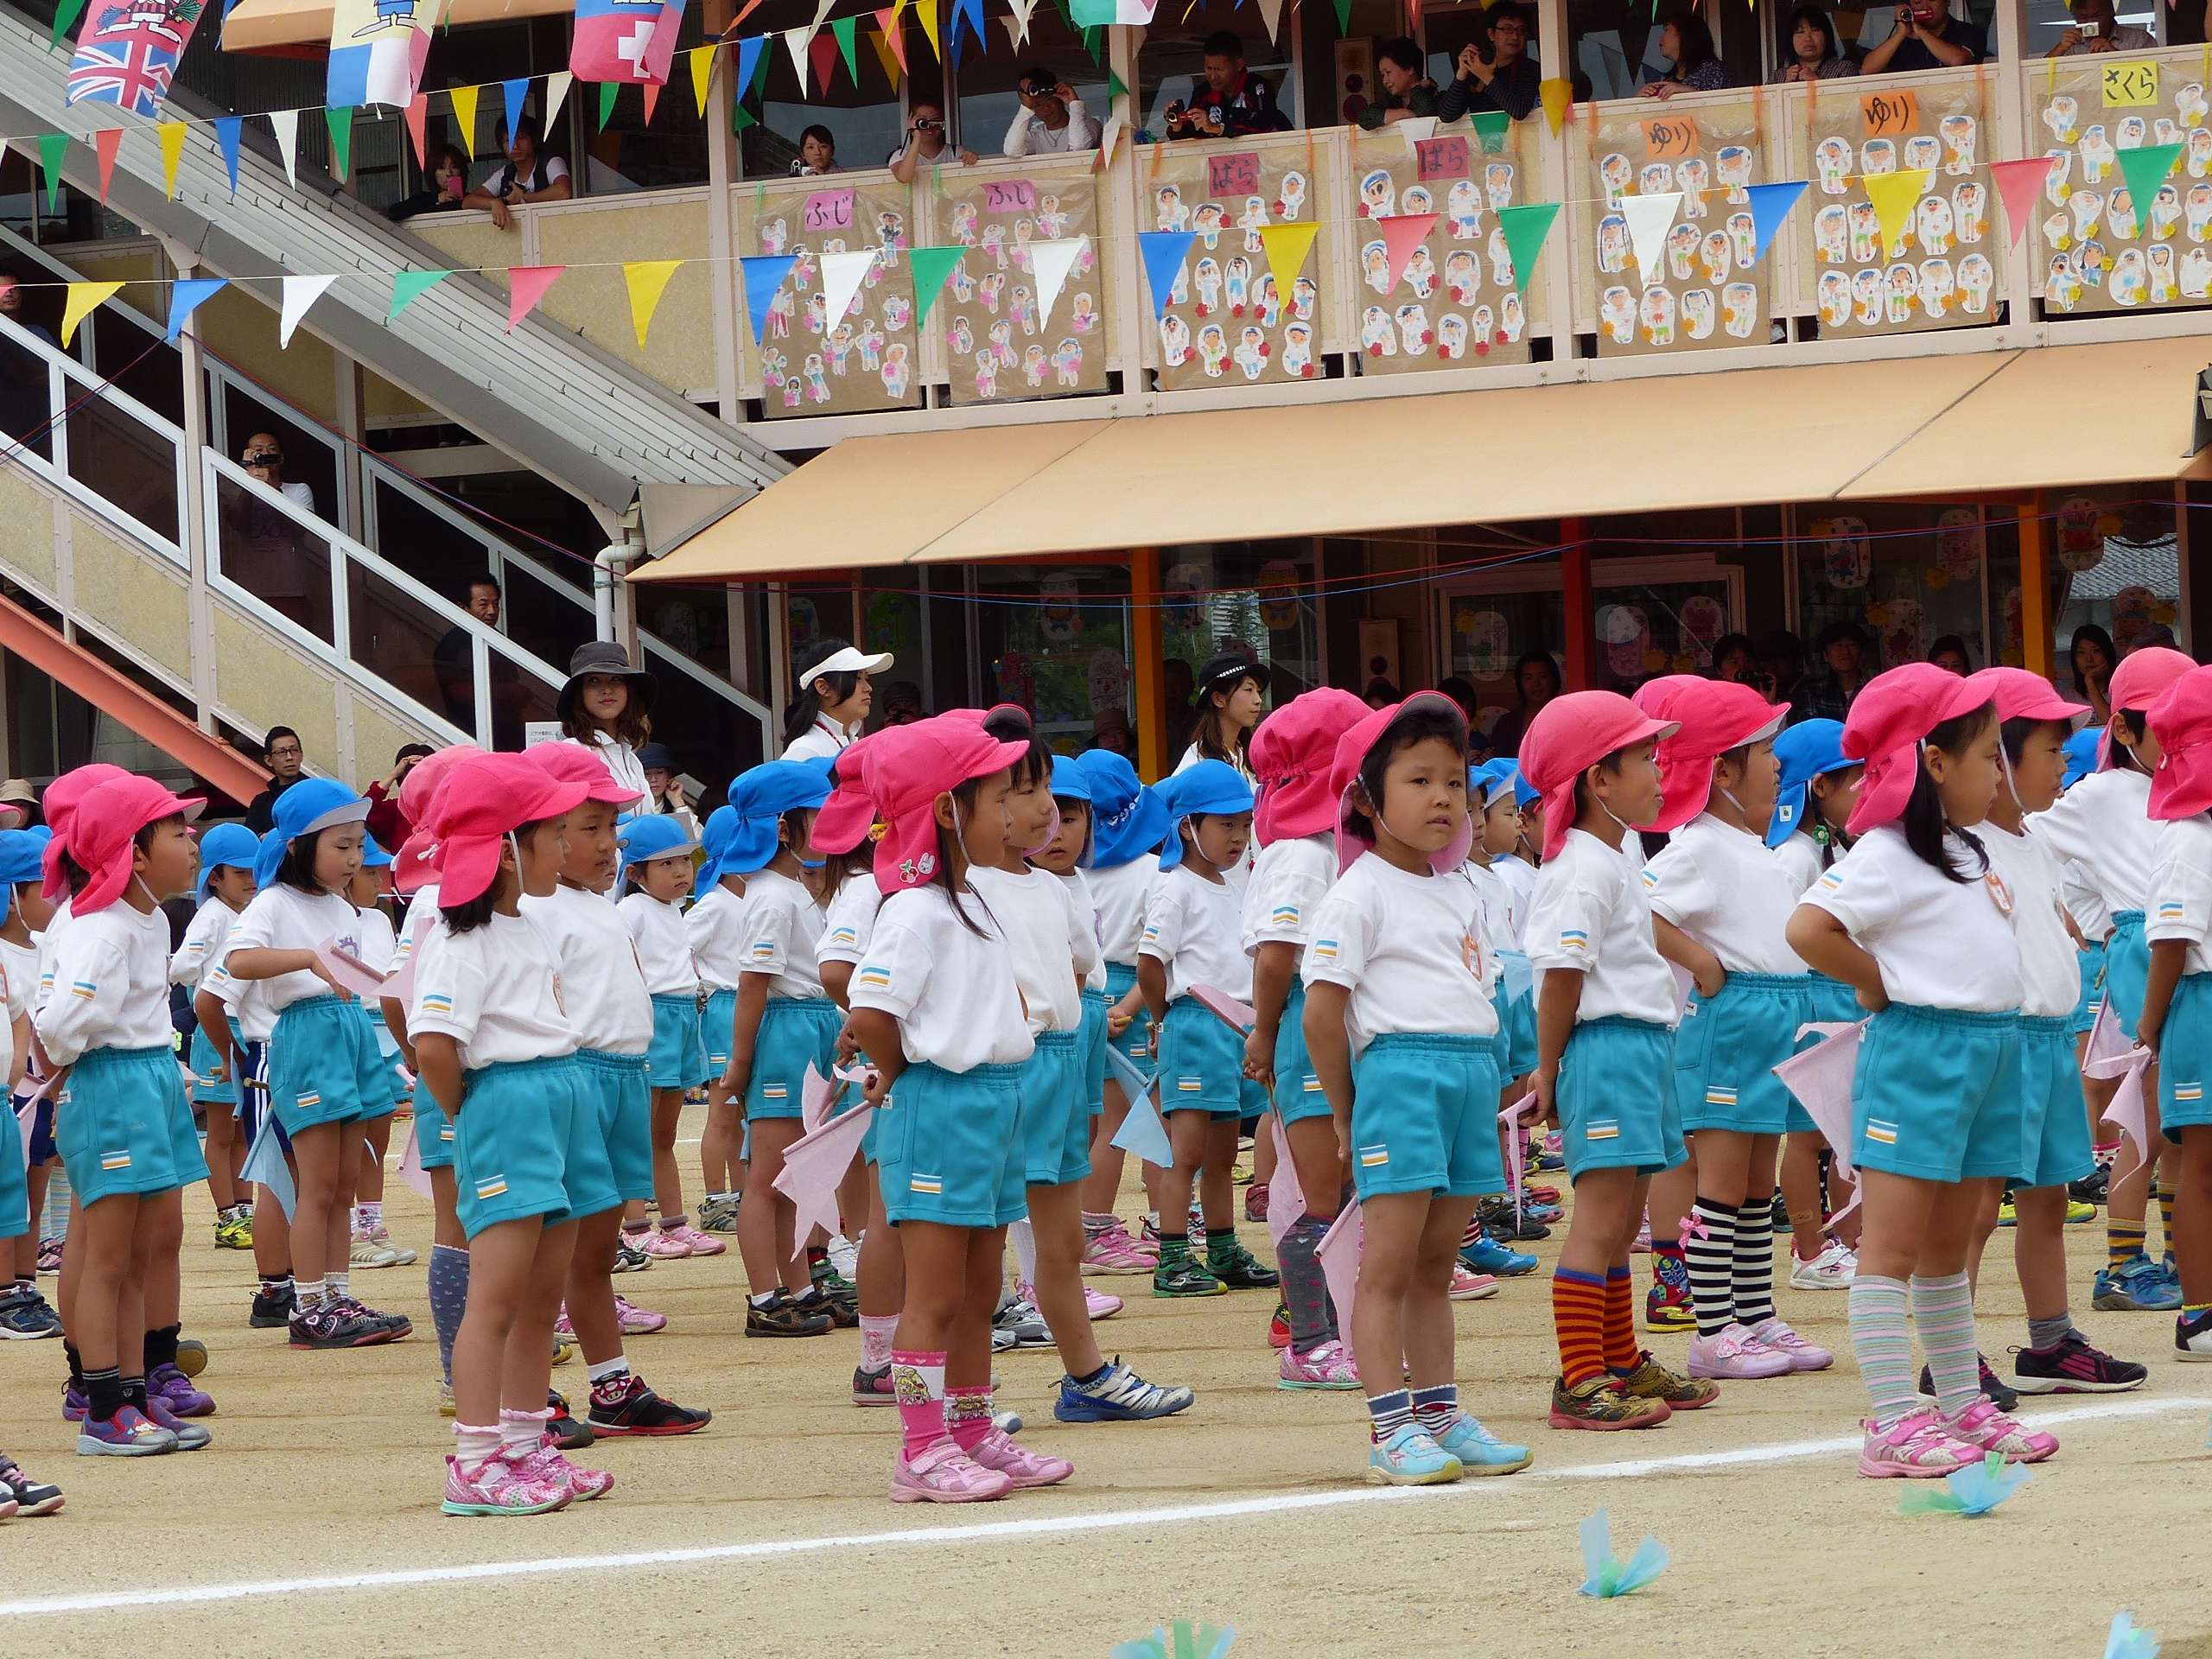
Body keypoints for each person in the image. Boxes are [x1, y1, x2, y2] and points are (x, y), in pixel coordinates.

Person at [1787, 664, 2056, 1477]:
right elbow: (1809, 928)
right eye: (1987, 755)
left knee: (1946, 1247)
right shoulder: (1886, 852)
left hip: (1988, 1053)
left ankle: (1959, 1403)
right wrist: (1876, 984)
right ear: (1933, 763)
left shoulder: (1969, 847)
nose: (2000, 771)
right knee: (1893, 1247)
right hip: (1920, 1057)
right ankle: (1893, 1419)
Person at [1302, 694, 1533, 1483]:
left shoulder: (1463, 887)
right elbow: (1322, 1015)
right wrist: (1346, 1112)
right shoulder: (1357, 892)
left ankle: (1439, 1414)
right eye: (1419, 780)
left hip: (1468, 1078)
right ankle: (1389, 1427)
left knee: (1438, 1265)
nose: (1443, 798)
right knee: (1389, 1266)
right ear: (1367, 801)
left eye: (1455, 781)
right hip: (1399, 1078)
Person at [840, 715, 1054, 1502]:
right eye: (1001, 797)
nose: (1019, 813)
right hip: (939, 1107)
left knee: (979, 1287)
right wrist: (900, 1074)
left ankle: (970, 1427)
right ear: (945, 811)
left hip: (992, 1105)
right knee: (932, 1294)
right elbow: (870, 1012)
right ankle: (921, 1448)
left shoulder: (973, 897)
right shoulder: (914, 910)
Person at [970, 714, 1195, 1423]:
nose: (1047, 810)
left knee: (1061, 1241)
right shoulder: (963, 889)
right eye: (1026, 791)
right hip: (1005, 1073)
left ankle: (1087, 1377)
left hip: (1061, 1063)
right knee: (976, 1245)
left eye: (1053, 795)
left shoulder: (1054, 888)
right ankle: (958, 1405)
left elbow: (1077, 975)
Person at [410, 752, 612, 1514]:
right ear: (503, 849)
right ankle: (474, 1459)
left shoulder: (528, 925)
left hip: (559, 1097)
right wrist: (473, 1112)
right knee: (494, 1296)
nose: (566, 848)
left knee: (541, 1296)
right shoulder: (457, 941)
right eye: (554, 834)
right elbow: (435, 1046)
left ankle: (527, 1446)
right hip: (507, 1102)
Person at [1517, 690, 1717, 1429]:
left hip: (1641, 1045)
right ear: (1598, 780)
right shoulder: (1579, 866)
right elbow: (1560, 979)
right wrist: (1548, 1068)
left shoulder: (1616, 851)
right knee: (1600, 1220)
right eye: (1644, 758)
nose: (1660, 771)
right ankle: (1579, 1380)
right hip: (1605, 1048)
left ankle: (1621, 1360)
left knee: (1626, 1211)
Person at [1637, 679, 1832, 1382]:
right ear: (1722, 770)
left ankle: (1755, 1315)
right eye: (1765, 751)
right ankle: (1713, 1330)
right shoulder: (1698, 846)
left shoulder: (1753, 843)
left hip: (1776, 1015)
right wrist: (1701, 963)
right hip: (1735, 1019)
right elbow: (1640, 908)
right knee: (1720, 1185)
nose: (1778, 764)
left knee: (1755, 1185)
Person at [519, 743, 710, 1438]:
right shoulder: (535, 908)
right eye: (590, 828)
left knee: (597, 1253)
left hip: (625, 1075)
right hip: (576, 1079)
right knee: (547, 1254)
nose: (610, 844)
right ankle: (528, 1397)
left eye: (612, 827)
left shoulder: (601, 905)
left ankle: (613, 1387)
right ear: (541, 832)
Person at [1969, 667, 2147, 1395]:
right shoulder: (1963, 847)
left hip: (2046, 1040)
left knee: (2046, 1196)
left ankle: (2051, 1343)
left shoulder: (2035, 838)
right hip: (1998, 1041)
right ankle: (1951, 1357)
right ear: (1997, 757)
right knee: (1978, 1202)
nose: (2065, 764)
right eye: (2050, 751)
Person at [41, 774, 212, 1459]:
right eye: (176, 831)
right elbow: (58, 1027)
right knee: (108, 1258)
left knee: (137, 1256)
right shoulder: (102, 930)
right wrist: (87, 1066)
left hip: (149, 1079)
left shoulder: (149, 919)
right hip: (111, 1084)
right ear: (134, 854)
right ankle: (103, 1407)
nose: (192, 843)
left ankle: (135, 1396)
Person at [2034, 645, 2196, 1314]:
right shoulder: (2098, 794)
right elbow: (2020, 837)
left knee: (2186, 1120)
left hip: (2189, 947)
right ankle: (2124, 1266)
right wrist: (2067, 914)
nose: (2181, 735)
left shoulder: (2191, 781)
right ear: (2123, 728)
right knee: (2150, 1115)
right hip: (2144, 949)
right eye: (2165, 723)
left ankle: (2181, 1258)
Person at [222, 778, 411, 1349]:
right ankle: (308, 1307)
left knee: (343, 1183)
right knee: (317, 1183)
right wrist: (308, 958)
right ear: (300, 846)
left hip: (350, 1032)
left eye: (359, 845)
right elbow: (239, 960)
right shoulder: (275, 901)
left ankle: (337, 1297)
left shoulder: (342, 907)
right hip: (306, 1035)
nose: (355, 858)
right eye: (342, 845)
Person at [1243, 689, 1367, 1387]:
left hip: (1340, 1024)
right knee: (1324, 1194)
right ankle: (1308, 1343)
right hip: (1304, 1026)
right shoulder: (1300, 854)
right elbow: (1275, 957)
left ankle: (1337, 1333)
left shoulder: (1331, 847)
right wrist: (1264, 1034)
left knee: (1347, 1190)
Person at [716, 761, 855, 1337]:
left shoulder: (795, 889)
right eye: (819, 814)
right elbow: (753, 983)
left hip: (811, 1028)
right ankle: (764, 1298)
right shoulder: (772, 896)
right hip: (785, 1034)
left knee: (797, 1175)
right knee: (768, 1177)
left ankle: (799, 1288)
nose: (831, 823)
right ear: (781, 826)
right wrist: (740, 1061)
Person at [1137, 761, 1280, 1298]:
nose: (1239, 837)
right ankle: (1173, 1258)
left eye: (1244, 825)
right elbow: (1150, 963)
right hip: (1194, 1024)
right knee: (1187, 1154)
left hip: (1236, 1025)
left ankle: (1222, 1250)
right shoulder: (1174, 888)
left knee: (1223, 1156)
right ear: (1188, 826)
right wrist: (1163, 1019)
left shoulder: (1235, 886)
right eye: (1225, 825)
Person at [2139, 664, 2212, 1363]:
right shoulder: (2186, 836)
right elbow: (2170, 941)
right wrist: (2149, 1021)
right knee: (2203, 1167)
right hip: (2201, 1003)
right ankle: (2200, 1313)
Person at [1072, 749, 1168, 1270]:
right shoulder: (1154, 872)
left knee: (1103, 1120)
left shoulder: (1071, 875)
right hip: (1138, 994)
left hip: (1088, 993)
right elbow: (1156, 955)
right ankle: (1155, 1220)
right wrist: (1134, 1008)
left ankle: (1097, 1224)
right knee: (1150, 1115)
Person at [615, 813, 720, 1261]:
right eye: (666, 864)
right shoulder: (630, 911)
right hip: (653, 1020)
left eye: (684, 861)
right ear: (635, 874)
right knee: (639, 1131)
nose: (681, 871)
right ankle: (635, 1227)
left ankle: (674, 1222)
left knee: (664, 1132)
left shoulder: (676, 910)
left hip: (682, 1020)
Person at [171, 822, 260, 1252]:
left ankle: (244, 1210)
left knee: (242, 1129)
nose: (250, 880)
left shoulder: (245, 913)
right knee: (222, 1130)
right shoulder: (210, 916)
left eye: (253, 871)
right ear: (215, 878)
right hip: (216, 1028)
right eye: (239, 872)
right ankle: (227, 1215)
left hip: (242, 1027)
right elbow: (181, 967)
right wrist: (206, 985)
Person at [223, 436, 317, 629]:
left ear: (281, 458)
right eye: (258, 450)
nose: (265, 454)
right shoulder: (238, 490)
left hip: (291, 591)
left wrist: (272, 488)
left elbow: (299, 529)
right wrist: (250, 483)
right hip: (249, 591)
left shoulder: (298, 491)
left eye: (271, 449)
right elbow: (236, 523)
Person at [432, 575, 525, 746]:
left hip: (507, 735)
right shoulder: (452, 645)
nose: (492, 611)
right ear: (463, 608)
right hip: (471, 737)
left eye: (495, 603)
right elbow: (462, 693)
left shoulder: (497, 639)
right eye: (483, 604)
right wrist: (509, 691)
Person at [558, 641, 655, 800]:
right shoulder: (573, 753)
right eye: (594, 680)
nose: (607, 690)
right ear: (579, 693)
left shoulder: (632, 760)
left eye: (616, 679)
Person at [783, 639, 893, 763]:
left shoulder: (844, 739)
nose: (868, 688)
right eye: (857, 678)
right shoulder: (806, 749)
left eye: (866, 679)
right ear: (823, 687)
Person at [1164, 32, 1291, 139]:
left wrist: (1217, 128)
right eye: (1209, 68)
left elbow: (1262, 124)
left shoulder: (1257, 86)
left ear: (1239, 65)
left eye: (1219, 69)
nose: (1212, 76)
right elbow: (1191, 137)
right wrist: (1178, 125)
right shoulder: (1202, 92)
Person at [465, 116, 571, 230]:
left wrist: (523, 198)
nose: (515, 146)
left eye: (522, 138)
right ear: (501, 146)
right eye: (508, 140)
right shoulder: (505, 173)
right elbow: (467, 202)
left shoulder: (551, 163)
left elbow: (564, 192)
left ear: (534, 140)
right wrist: (495, 203)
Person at [1439, 4, 1541, 120]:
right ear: (1491, 34)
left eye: (1521, 30)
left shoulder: (1531, 68)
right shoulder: (1477, 66)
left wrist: (1486, 76)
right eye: (1508, 29)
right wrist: (1462, 73)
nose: (1515, 36)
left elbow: (1519, 111)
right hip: (1481, 132)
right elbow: (1447, 116)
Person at [1178, 653, 1265, 779]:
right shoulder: (1197, 765)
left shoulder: (1249, 756)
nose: (1258, 700)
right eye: (1248, 690)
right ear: (1218, 699)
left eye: (1258, 691)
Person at [1859, 0, 1985, 73]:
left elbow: (1957, 60)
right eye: (1917, 2)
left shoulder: (1971, 32)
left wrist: (1922, 32)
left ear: (1947, 1)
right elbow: (1867, 70)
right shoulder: (1903, 39)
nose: (1925, 7)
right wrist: (1900, 34)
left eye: (1932, 0)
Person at [1004, 67, 1103, 156]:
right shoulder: (1036, 136)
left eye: (1050, 99)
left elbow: (1080, 146)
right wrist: (1025, 108)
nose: (1046, 108)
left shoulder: (1089, 124)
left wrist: (1075, 104)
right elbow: (1012, 151)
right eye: (1038, 105)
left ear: (1060, 97)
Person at [1485, 652, 1561, 760]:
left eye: (1542, 677)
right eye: (1528, 678)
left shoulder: (1565, 719)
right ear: (1520, 682)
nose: (1536, 684)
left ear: (1553, 679)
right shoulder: (1507, 723)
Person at [1795, 620, 1872, 723]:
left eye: (1852, 644)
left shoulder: (1875, 690)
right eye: (1838, 645)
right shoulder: (1813, 694)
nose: (1846, 651)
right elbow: (1811, 731)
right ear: (1825, 655)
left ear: (1862, 653)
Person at [364, 744, 433, 854]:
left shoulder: (445, 809)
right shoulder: (396, 810)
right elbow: (364, 811)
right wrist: (393, 774)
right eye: (412, 776)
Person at [888, 99, 978, 180]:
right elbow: (903, 177)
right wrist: (916, 135)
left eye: (935, 121)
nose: (929, 126)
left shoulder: (955, 152)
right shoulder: (901, 155)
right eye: (923, 122)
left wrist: (971, 159)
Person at [1357, 39, 1438, 129]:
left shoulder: (1435, 96)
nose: (1384, 81)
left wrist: (1416, 90)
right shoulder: (1391, 100)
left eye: (1388, 72)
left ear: (1409, 69)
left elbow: (1427, 113)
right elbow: (1364, 117)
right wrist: (1405, 113)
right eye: (1383, 75)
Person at [1642, 14, 1728, 96]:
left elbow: (1723, 103)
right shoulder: (1668, 80)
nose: (1661, 38)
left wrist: (1691, 93)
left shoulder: (1713, 71)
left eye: (1666, 30)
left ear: (1684, 35)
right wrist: (1643, 100)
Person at [244, 728, 307, 835]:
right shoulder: (261, 803)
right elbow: (250, 838)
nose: (289, 757)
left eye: (294, 750)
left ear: (301, 755)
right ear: (269, 760)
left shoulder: (314, 792)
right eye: (281, 752)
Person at [633, 743, 702, 840]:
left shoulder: (674, 808)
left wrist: (677, 801)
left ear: (668, 775)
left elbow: (697, 838)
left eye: (659, 772)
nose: (653, 779)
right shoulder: (629, 807)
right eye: (646, 774)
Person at [388, 144, 474, 222]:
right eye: (441, 168)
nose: (449, 173)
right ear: (432, 172)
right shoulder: (424, 199)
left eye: (454, 167)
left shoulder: (471, 199)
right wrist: (437, 200)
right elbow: (394, 212)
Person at [1777, 3, 1859, 78]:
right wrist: (1786, 85)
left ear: (1826, 35)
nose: (1808, 38)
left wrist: (1815, 82)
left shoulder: (1844, 69)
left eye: (1815, 30)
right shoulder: (1778, 76)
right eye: (1801, 32)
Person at [2048, 0, 2153, 54]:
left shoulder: (2139, 38)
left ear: (2112, 12)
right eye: (2083, 17)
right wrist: (2060, 49)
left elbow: (2153, 73)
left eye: (2097, 16)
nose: (2090, 22)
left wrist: (2115, 54)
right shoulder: (2072, 44)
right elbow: (2042, 79)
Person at [2071, 624, 2117, 725]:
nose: (2089, 659)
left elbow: (2113, 725)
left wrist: (2090, 681)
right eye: (2081, 652)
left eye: (2096, 651)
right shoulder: (2070, 697)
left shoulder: (2119, 691)